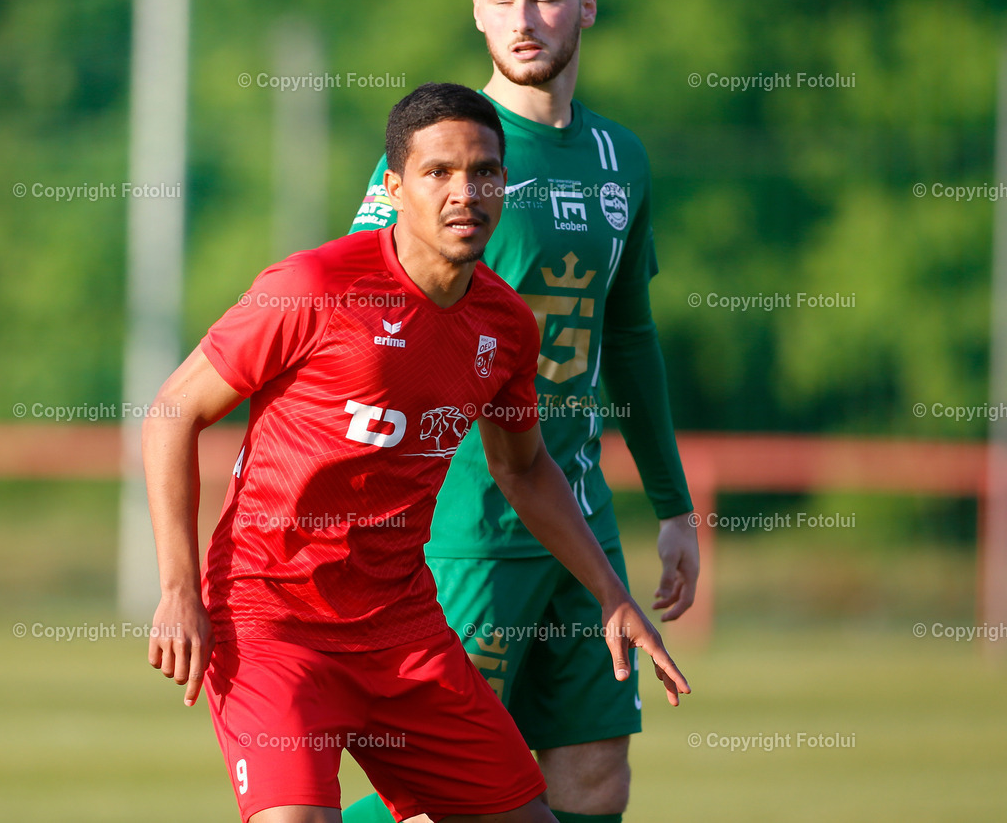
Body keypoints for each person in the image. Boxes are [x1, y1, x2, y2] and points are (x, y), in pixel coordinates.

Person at [144, 82, 689, 823]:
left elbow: (524, 467)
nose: (466, 193)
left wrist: (610, 593)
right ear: (394, 188)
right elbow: (172, 413)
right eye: (439, 174)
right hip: (273, 621)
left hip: (401, 630)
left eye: (485, 173)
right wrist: (179, 588)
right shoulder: (313, 286)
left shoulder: (503, 324)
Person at [348, 0, 699, 823]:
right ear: (475, 11)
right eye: (502, 0)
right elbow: (360, 306)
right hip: (463, 516)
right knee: (437, 798)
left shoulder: (623, 156)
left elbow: (629, 339)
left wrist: (672, 507)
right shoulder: (449, 152)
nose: (524, 20)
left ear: (586, 3)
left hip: (577, 515)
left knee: (592, 780)